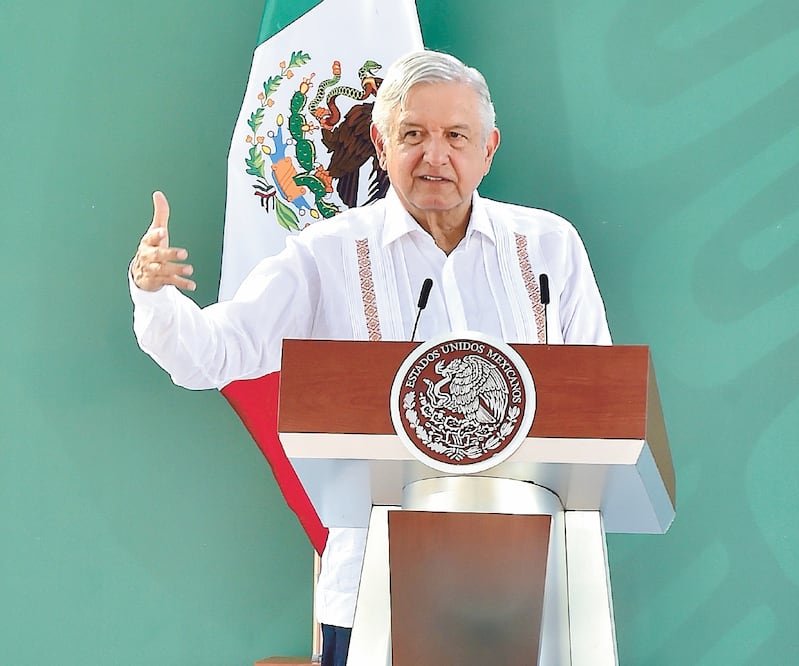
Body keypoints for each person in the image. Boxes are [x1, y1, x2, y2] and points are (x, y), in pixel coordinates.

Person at [130, 49, 611, 666]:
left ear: (489, 149)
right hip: (374, 589)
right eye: (413, 134)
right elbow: (213, 355)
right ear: (381, 147)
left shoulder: (550, 247)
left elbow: (604, 407)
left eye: (455, 136)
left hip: (530, 583)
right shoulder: (327, 254)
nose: (434, 154)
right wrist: (154, 295)